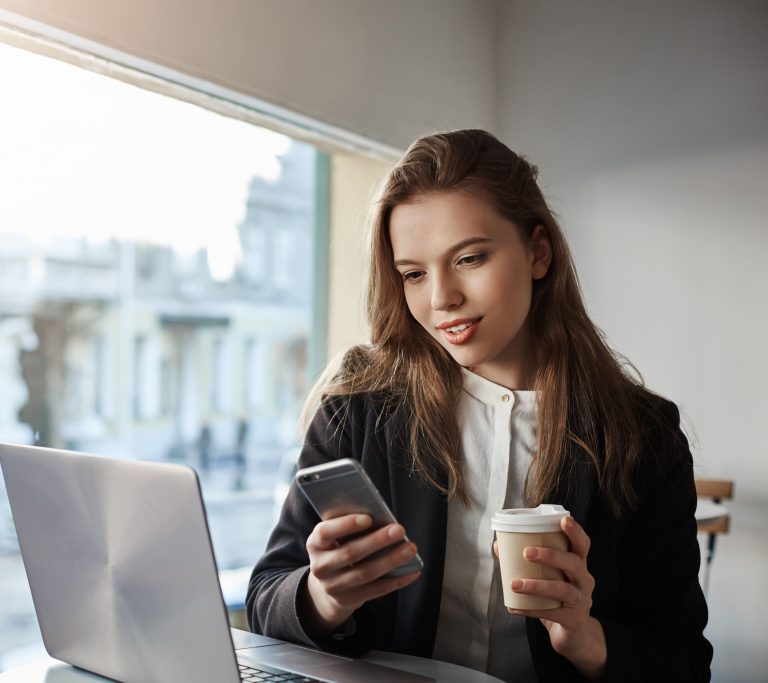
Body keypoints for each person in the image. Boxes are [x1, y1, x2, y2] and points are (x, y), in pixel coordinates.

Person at [245, 129, 712, 683]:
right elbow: (266, 597)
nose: (442, 298)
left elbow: (681, 664)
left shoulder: (643, 436)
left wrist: (584, 636)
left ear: (538, 252)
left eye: (469, 258)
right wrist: (323, 596)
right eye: (414, 274)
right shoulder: (358, 412)